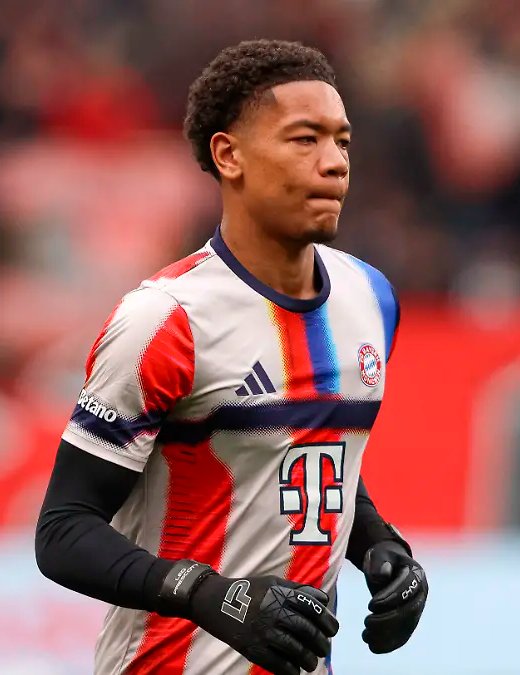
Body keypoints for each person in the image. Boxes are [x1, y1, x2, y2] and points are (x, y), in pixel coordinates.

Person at [34, 39, 428, 675]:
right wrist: (209, 596)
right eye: (305, 140)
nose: (334, 164)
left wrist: (381, 547)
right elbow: (63, 531)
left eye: (343, 142)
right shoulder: (167, 321)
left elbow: (305, 457)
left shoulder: (372, 298)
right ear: (229, 155)